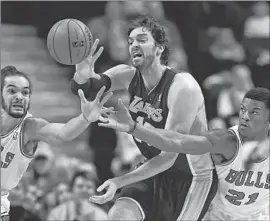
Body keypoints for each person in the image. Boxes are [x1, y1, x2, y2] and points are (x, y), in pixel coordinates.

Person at [70, 15, 217, 221]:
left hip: (190, 177)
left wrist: (119, 181)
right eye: (130, 41)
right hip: (151, 169)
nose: (133, 45)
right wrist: (82, 76)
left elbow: (169, 155)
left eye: (141, 40)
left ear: (160, 48)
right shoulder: (127, 75)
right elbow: (86, 88)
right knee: (119, 215)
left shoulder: (183, 86)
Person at [96, 87, 270, 220]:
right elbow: (179, 141)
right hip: (215, 214)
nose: (245, 116)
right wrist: (135, 128)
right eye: (242, 109)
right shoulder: (226, 142)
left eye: (254, 112)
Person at [0, 65, 113, 221]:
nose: (20, 97)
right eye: (12, 91)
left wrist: (84, 118)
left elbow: (64, 133)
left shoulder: (30, 127)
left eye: (25, 92)